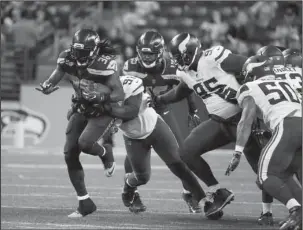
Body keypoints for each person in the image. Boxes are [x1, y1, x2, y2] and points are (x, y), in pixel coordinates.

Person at [155, 33, 272, 222]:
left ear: (191, 51)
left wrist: (252, 95)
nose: (178, 62)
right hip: (219, 122)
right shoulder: (186, 72)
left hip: (244, 121)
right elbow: (180, 91)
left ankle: (269, 211)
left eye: (180, 57)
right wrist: (160, 99)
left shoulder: (212, 57)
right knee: (186, 151)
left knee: (263, 173)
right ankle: (218, 191)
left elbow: (248, 64)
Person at [35, 29, 125, 218]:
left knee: (85, 143)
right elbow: (59, 71)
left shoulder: (105, 64)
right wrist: (48, 84)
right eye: (77, 51)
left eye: (84, 52)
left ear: (94, 50)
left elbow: (119, 94)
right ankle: (85, 202)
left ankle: (104, 152)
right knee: (69, 153)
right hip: (81, 107)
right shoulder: (67, 57)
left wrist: (100, 95)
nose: (79, 56)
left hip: (102, 110)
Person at [102, 75, 212, 215]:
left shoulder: (129, 85)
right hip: (134, 138)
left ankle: (203, 201)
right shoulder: (100, 101)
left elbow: (131, 111)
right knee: (142, 177)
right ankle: (129, 185)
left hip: (155, 127)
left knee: (179, 165)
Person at [122, 30, 202, 213]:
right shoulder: (130, 66)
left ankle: (188, 193)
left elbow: (186, 87)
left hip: (161, 109)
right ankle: (132, 193)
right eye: (144, 52)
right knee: (134, 154)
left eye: (151, 53)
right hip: (139, 112)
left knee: (181, 152)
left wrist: (193, 110)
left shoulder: (172, 67)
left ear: (160, 52)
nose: (147, 57)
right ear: (138, 50)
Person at [228, 54, 302, 230]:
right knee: (284, 175)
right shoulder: (287, 83)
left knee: (265, 176)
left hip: (289, 125)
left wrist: (238, 151)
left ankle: (296, 211)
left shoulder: (250, 87)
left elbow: (245, 122)